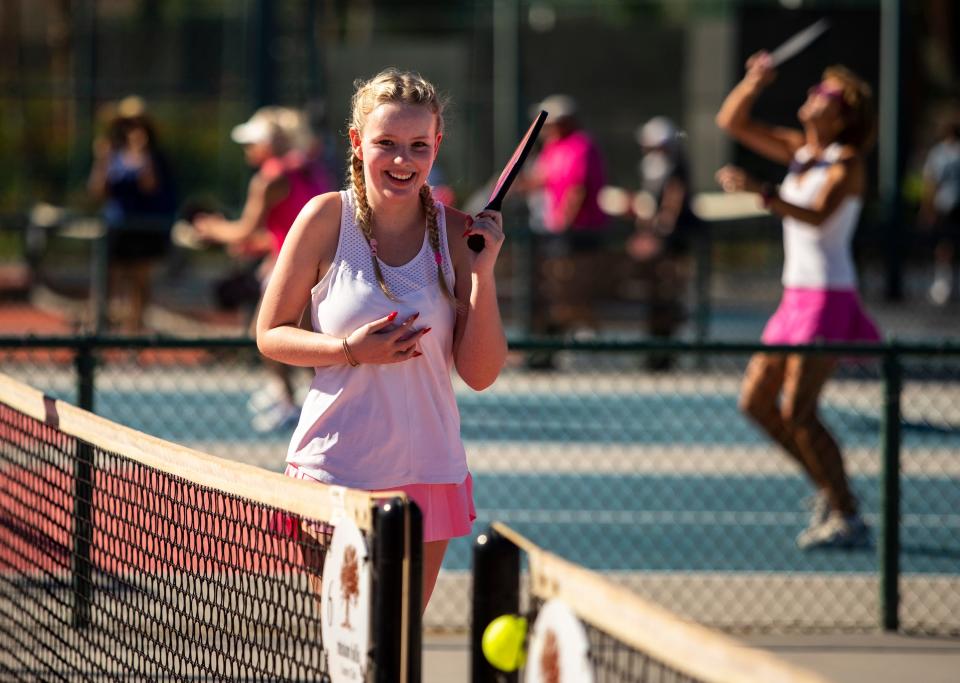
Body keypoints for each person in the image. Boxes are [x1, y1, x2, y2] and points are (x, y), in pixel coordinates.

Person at [255, 69, 507, 611]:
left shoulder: (461, 236)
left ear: (437, 146)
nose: (402, 160)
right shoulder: (326, 218)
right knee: (352, 646)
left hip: (430, 474)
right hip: (335, 470)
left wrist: (484, 273)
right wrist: (349, 351)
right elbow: (269, 334)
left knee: (396, 650)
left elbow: (481, 374)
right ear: (356, 142)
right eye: (386, 144)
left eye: (418, 146)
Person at [715, 54, 880, 549]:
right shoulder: (800, 151)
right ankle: (832, 490)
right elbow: (732, 121)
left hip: (828, 298)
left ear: (843, 114)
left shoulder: (846, 163)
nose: (812, 98)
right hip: (795, 297)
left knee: (801, 412)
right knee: (756, 403)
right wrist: (755, 80)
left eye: (825, 96)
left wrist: (759, 192)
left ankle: (848, 515)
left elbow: (816, 216)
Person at [194, 106, 332, 432]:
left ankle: (294, 403)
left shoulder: (270, 178)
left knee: (269, 337)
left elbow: (243, 229)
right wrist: (261, 244)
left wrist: (210, 228)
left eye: (253, 142)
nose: (248, 148)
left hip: (293, 270)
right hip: (322, 268)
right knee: (306, 344)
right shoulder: (310, 171)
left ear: (269, 144)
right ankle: (299, 400)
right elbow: (292, 228)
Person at [523, 94, 608, 367]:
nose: (545, 128)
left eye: (550, 122)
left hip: (578, 236)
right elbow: (541, 180)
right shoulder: (552, 146)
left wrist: (562, 226)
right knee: (554, 295)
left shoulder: (582, 146)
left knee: (571, 295)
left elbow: (577, 190)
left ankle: (590, 348)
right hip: (556, 236)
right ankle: (550, 352)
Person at [87, 96, 177, 333]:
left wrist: (142, 154)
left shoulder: (156, 156)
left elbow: (151, 187)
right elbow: (97, 191)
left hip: (144, 226)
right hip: (116, 225)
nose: (133, 129)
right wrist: (102, 160)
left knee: (139, 282)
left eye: (138, 123)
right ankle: (100, 332)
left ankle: (133, 334)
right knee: (108, 281)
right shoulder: (112, 153)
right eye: (128, 123)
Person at [628, 116, 702, 370]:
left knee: (669, 299)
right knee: (654, 298)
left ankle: (665, 354)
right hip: (657, 246)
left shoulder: (675, 167)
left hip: (672, 246)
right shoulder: (651, 166)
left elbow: (673, 202)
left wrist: (659, 232)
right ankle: (655, 352)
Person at [919, 119, 960, 305]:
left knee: (944, 245)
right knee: (945, 245)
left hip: (945, 203)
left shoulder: (938, 153)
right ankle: (944, 283)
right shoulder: (939, 153)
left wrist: (927, 207)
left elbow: (930, 182)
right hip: (948, 204)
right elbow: (931, 181)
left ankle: (944, 283)